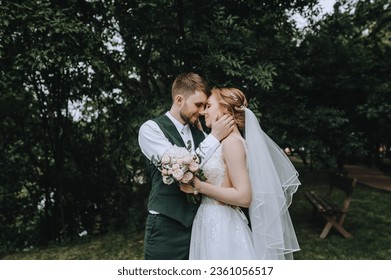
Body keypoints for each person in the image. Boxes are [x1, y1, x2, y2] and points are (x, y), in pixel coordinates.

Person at [180, 87, 301, 260]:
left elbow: (244, 197)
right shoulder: (225, 141)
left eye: (208, 105)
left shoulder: (232, 143)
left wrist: (199, 186)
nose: (204, 112)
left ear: (226, 110)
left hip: (222, 224)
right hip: (211, 219)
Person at [138, 73, 234, 260]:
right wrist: (215, 137)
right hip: (166, 228)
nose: (201, 111)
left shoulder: (202, 135)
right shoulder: (151, 129)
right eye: (198, 105)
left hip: (201, 229)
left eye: (205, 106)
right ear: (179, 99)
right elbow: (180, 170)